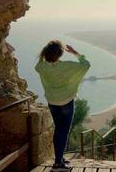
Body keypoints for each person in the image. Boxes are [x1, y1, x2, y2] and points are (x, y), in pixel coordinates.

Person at [35, 40, 90, 171]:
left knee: (59, 130)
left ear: (46, 53)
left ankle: (59, 158)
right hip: (66, 102)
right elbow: (86, 65)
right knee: (62, 132)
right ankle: (58, 164)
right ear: (60, 54)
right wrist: (74, 52)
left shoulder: (42, 67)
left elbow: (37, 65)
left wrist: (44, 54)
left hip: (52, 102)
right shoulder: (67, 66)